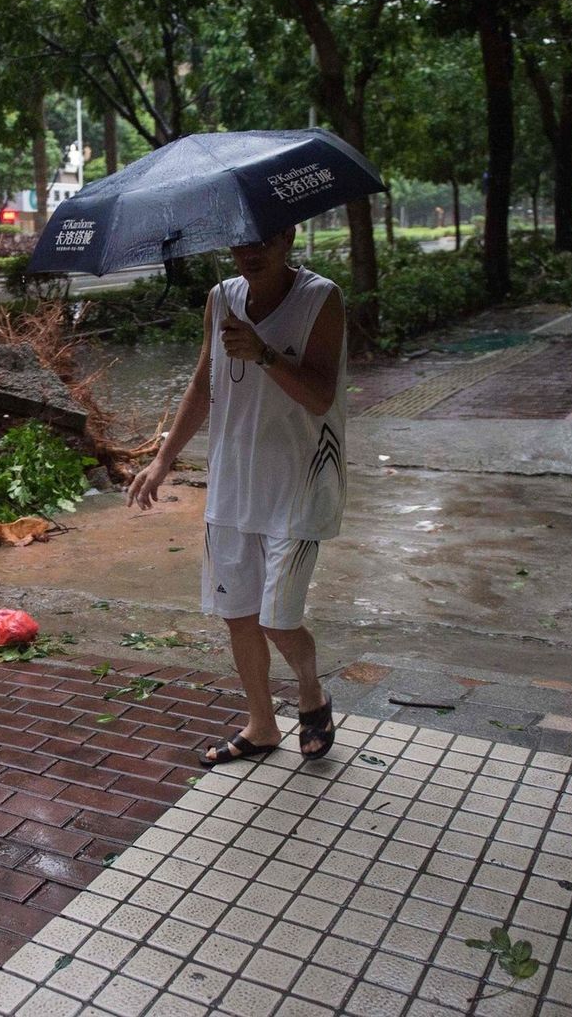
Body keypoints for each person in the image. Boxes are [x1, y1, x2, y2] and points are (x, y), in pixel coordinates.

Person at [127, 226, 345, 766]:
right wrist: (163, 458)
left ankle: (312, 694)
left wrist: (265, 354)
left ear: (287, 237)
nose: (252, 252)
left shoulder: (321, 297)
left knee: (277, 617)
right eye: (241, 242)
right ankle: (262, 724)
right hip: (232, 482)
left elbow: (320, 396)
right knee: (240, 614)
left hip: (299, 484)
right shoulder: (221, 298)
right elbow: (205, 384)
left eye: (263, 240)